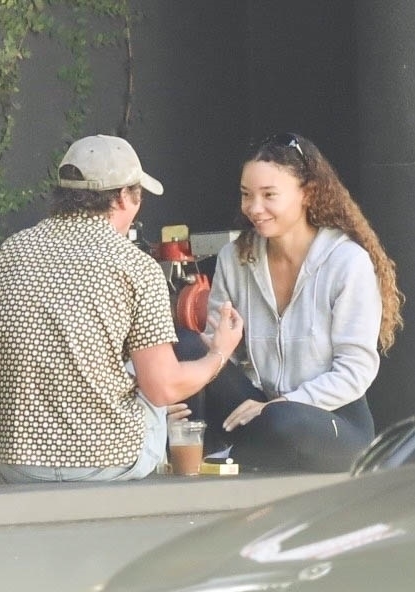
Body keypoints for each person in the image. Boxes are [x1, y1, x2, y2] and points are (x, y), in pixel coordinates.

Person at [0, 134, 243, 483]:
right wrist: (219, 354)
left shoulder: (8, 253)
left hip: (14, 461)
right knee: (159, 389)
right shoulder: (136, 266)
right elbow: (163, 387)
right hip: (104, 463)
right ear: (125, 197)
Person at [169, 132, 404, 473]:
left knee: (283, 422)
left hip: (328, 420)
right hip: (258, 408)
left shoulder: (346, 262)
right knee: (185, 347)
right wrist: (198, 371)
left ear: (307, 193)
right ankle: (208, 454)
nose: (254, 208)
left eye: (269, 195)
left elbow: (355, 372)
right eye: (246, 195)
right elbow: (217, 354)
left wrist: (279, 404)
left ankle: (224, 454)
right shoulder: (235, 259)